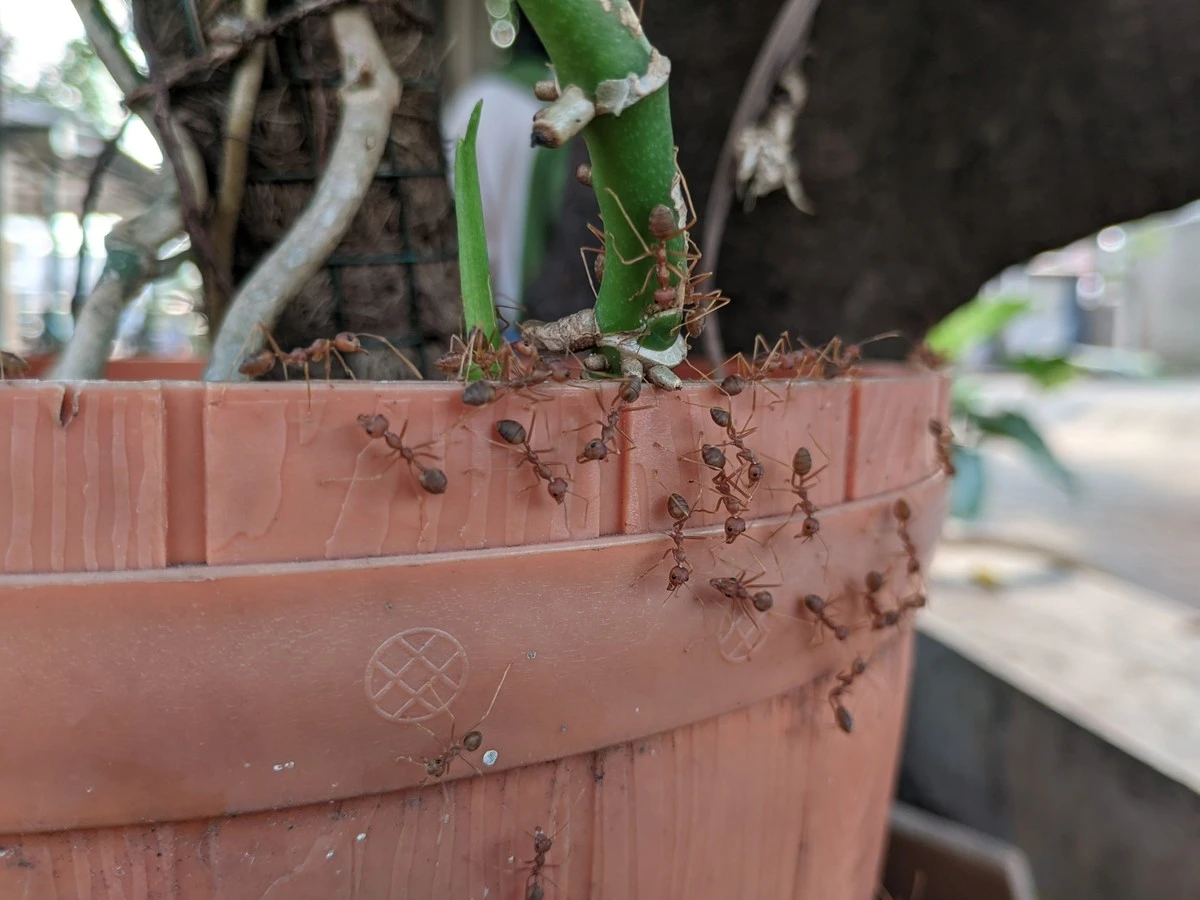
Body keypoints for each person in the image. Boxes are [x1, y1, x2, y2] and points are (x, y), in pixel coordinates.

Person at [441, 12, 569, 341]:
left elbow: (462, 222)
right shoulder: (598, 110)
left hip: (501, 318)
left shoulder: (482, 99)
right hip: (528, 326)